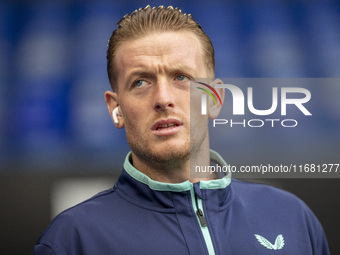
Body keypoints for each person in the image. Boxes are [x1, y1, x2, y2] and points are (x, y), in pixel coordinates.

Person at [32, 5, 329, 255]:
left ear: (215, 100)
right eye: (140, 82)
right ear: (115, 108)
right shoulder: (72, 240)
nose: (163, 99)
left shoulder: (292, 217)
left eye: (181, 77)